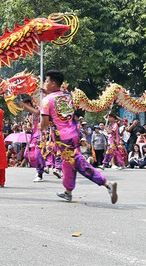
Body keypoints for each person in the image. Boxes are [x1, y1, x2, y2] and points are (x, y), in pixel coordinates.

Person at [39, 70, 117, 204]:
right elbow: (57, 101)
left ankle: (106, 183)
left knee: (79, 163)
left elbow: (45, 123)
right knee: (68, 163)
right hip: (74, 134)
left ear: (52, 83)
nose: (44, 84)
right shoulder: (67, 96)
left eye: (46, 81)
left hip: (63, 139)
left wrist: (40, 127)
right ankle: (68, 192)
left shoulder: (46, 101)